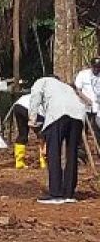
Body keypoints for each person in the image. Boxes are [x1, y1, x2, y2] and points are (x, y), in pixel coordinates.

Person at [28, 75, 87, 204]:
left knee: (53, 152)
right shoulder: (65, 86)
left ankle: (55, 193)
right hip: (78, 115)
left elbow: (35, 98)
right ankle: (69, 193)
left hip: (58, 113)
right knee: (72, 153)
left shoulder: (41, 81)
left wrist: (32, 119)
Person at [11, 91, 42, 170]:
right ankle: (44, 162)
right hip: (30, 107)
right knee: (42, 135)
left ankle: (19, 162)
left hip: (18, 105)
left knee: (22, 134)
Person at [73, 58, 100, 136]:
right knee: (83, 127)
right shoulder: (83, 74)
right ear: (91, 66)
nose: (97, 69)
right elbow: (77, 90)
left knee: (97, 127)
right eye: (95, 67)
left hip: (97, 106)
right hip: (85, 105)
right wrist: (85, 99)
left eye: (98, 67)